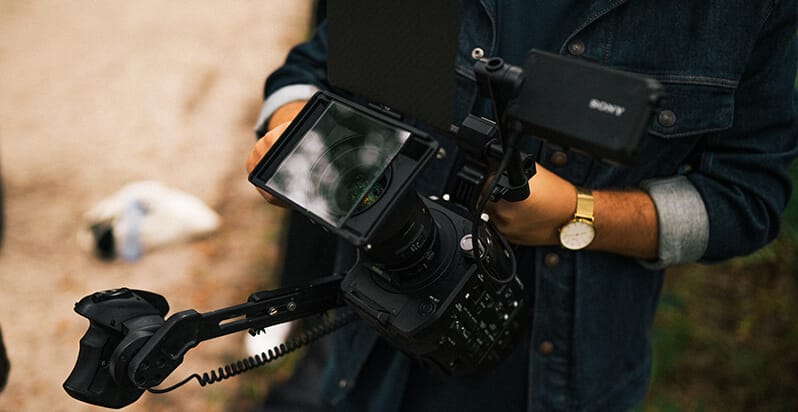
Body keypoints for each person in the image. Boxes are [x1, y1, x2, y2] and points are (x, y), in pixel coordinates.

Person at [246, 1, 798, 410]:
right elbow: (317, 69)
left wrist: (576, 213)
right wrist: (293, 140)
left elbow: (745, 199)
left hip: (557, 383)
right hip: (369, 354)